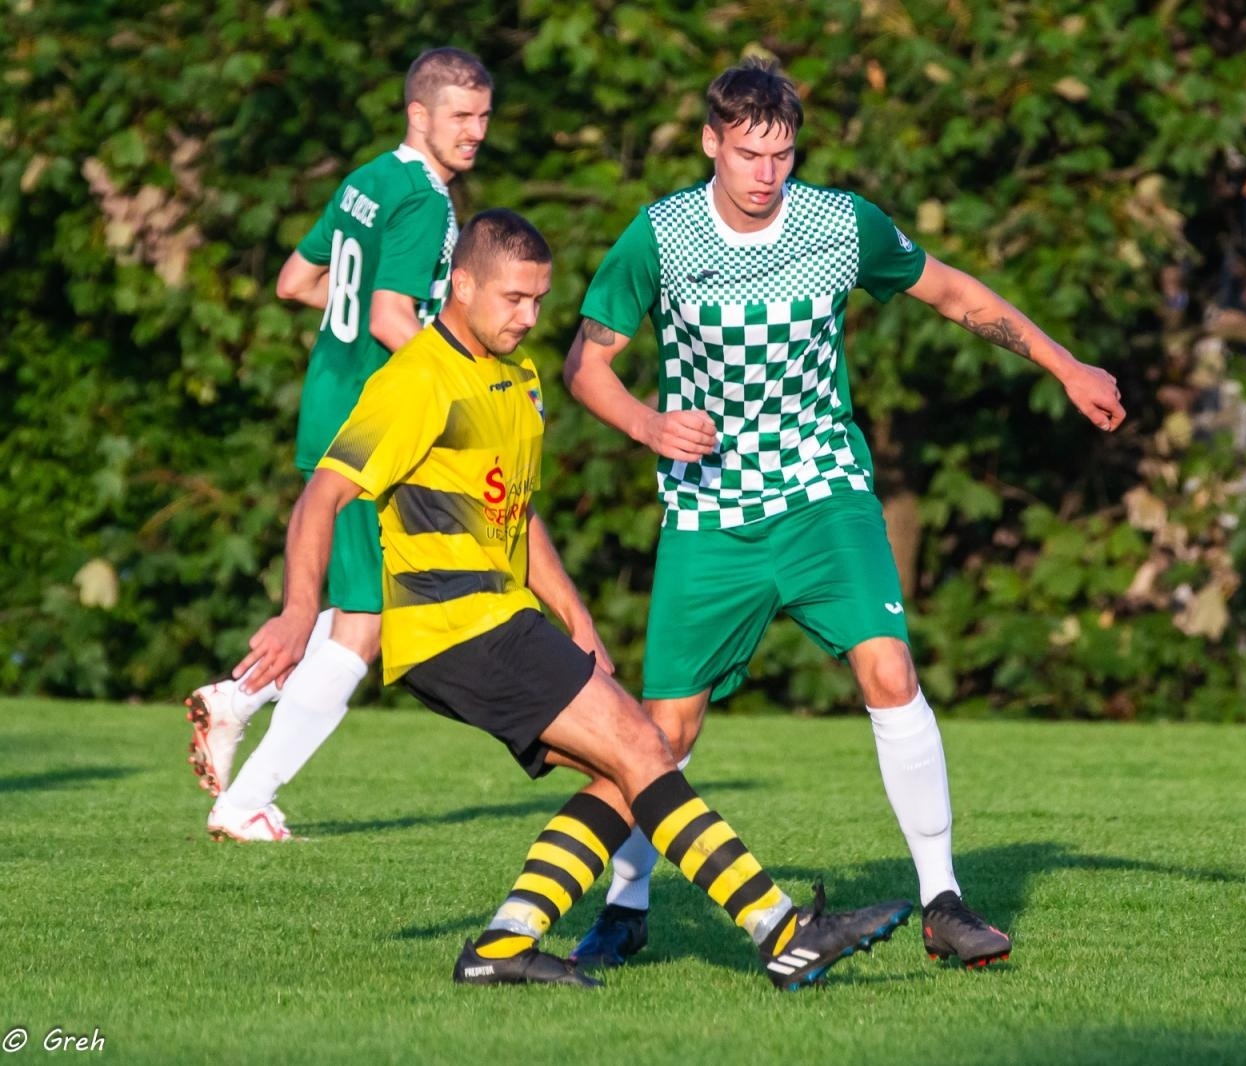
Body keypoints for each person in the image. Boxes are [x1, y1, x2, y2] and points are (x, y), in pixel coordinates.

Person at [234, 207, 912, 989]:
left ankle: (501, 946)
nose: (528, 318)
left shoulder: (513, 375)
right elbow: (323, 494)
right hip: (456, 624)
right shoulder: (417, 378)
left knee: (624, 770)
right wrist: (296, 610)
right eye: (512, 299)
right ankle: (782, 930)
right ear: (461, 285)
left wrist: (577, 617)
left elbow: (515, 511)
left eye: (538, 301)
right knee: (646, 747)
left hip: (501, 619)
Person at [562, 58, 1125, 969]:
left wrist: (1066, 366)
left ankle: (943, 901)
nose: (765, 173)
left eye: (781, 154)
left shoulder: (839, 222)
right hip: (711, 514)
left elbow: (954, 294)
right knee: (660, 734)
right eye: (748, 153)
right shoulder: (660, 234)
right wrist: (647, 423)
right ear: (711, 143)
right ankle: (626, 910)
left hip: (824, 492)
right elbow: (586, 364)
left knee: (890, 668)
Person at [184, 47, 494, 842]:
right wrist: (464, 389)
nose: (475, 132)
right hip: (370, 421)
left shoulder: (366, 180)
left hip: (329, 404)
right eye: (460, 116)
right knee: (363, 623)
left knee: (353, 605)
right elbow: (393, 315)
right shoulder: (423, 201)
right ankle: (246, 798)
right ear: (417, 115)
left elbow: (296, 281)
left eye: (483, 116)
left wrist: (356, 320)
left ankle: (237, 699)